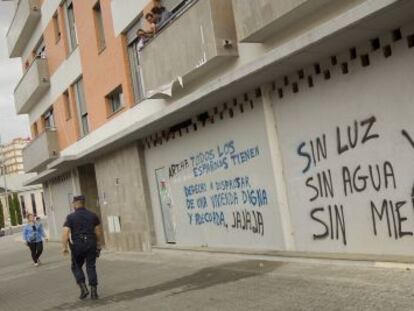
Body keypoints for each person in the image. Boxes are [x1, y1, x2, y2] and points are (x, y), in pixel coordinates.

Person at [62, 195, 103, 300]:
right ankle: (94, 292)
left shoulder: (70, 217)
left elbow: (65, 232)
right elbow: (98, 232)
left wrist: (64, 247)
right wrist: (98, 244)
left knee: (76, 266)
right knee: (91, 266)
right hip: (91, 243)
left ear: (76, 204)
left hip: (78, 245)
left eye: (73, 203)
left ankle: (84, 288)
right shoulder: (93, 215)